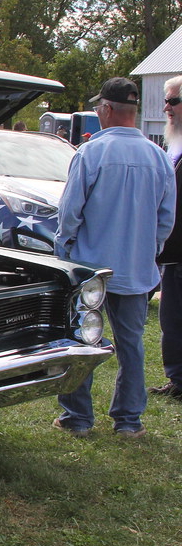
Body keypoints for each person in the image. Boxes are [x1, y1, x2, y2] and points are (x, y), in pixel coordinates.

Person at [53, 77, 176, 438]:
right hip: (135, 268)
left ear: (106, 109)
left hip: (91, 267)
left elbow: (70, 213)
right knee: (131, 346)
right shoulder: (158, 156)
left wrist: (65, 253)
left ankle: (77, 419)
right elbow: (166, 218)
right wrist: (149, 251)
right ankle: (128, 421)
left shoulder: (92, 153)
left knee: (82, 341)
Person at [150, 74, 182, 400]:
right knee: (171, 321)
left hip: (178, 252)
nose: (166, 108)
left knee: (173, 321)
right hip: (173, 253)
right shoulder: (174, 144)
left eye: (173, 101)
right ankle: (177, 379)